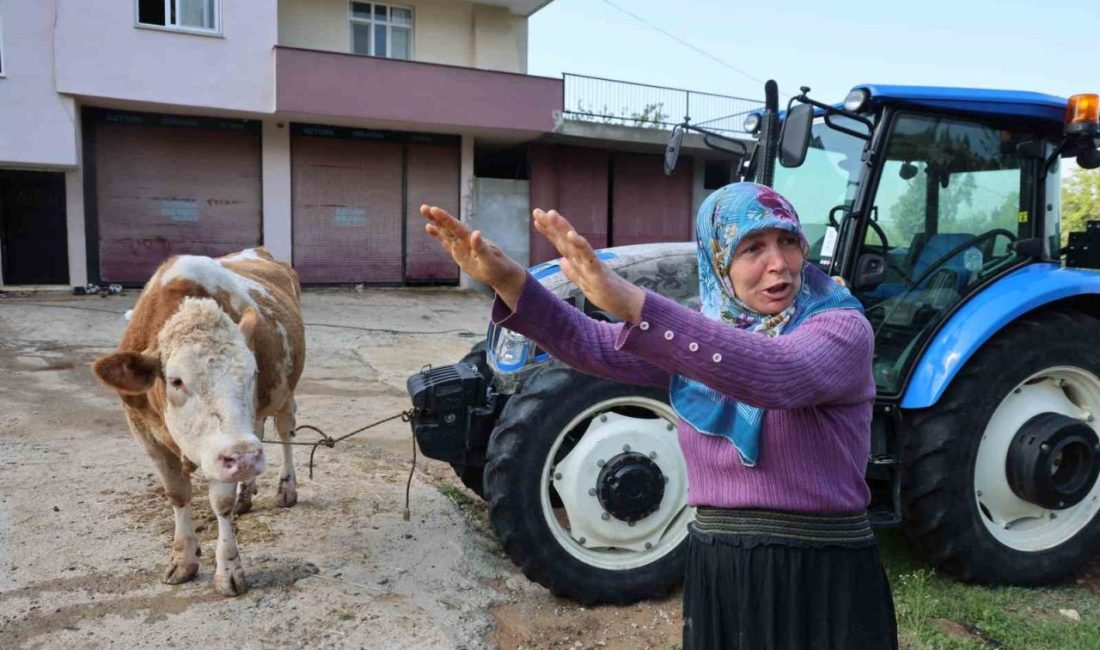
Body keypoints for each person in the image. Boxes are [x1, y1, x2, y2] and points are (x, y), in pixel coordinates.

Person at [419, 182, 898, 650]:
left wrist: (634, 304)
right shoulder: (708, 336)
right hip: (721, 568)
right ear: (719, 263)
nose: (779, 264)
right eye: (753, 248)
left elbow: (778, 373)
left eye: (788, 241)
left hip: (820, 575)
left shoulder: (840, 328)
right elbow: (593, 344)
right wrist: (510, 281)